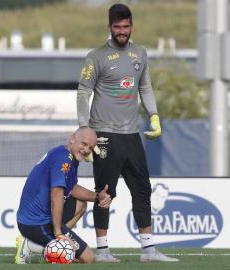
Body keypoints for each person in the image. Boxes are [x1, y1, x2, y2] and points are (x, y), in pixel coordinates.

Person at [76, 3, 178, 263]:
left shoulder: (140, 54)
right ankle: (103, 251)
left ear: (132, 26)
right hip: (104, 136)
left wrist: (154, 115)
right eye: (117, 27)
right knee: (105, 192)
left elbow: (145, 86)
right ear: (109, 27)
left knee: (143, 189)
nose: (122, 31)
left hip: (132, 135)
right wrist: (84, 128)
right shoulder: (96, 56)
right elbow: (83, 92)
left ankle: (148, 250)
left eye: (126, 26)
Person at [14, 127, 111, 264]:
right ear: (73, 138)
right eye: (84, 144)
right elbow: (57, 195)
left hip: (39, 218)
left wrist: (97, 197)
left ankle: (55, 245)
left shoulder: (68, 156)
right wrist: (59, 233)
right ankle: (30, 246)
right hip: (35, 222)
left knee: (81, 203)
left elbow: (72, 188)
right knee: (88, 259)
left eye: (90, 147)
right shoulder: (63, 158)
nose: (86, 150)